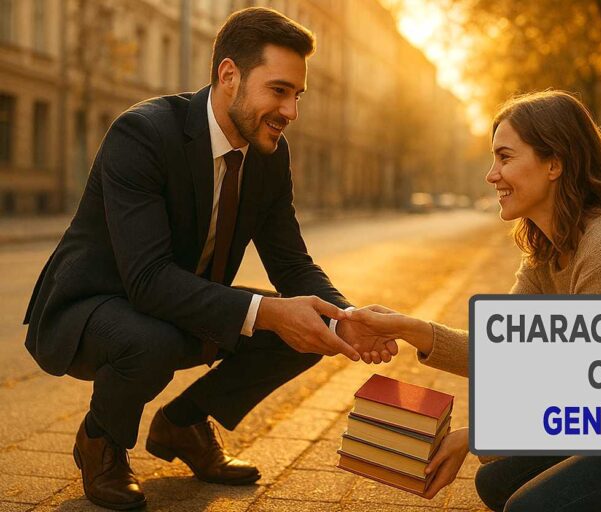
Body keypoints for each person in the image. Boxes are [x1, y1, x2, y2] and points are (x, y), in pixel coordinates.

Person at [22, 8, 395, 510]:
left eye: (297, 95)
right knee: (153, 338)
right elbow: (149, 281)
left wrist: (347, 318)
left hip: (175, 305)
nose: (291, 112)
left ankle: (183, 425)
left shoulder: (269, 154)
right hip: (93, 308)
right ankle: (100, 441)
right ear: (228, 76)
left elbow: (291, 261)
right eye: (279, 90)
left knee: (310, 326)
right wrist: (266, 312)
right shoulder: (143, 134)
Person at [347, 90, 601, 512]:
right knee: (495, 482)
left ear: (554, 164)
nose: (491, 175)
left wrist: (474, 434)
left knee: (528, 508)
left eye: (505, 157)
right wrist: (412, 329)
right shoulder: (549, 249)